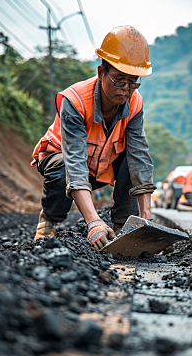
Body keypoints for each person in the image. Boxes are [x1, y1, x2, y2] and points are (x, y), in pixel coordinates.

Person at [31, 25, 156, 250]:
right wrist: (94, 222)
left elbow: (140, 158)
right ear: (101, 73)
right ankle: (48, 221)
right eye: (119, 80)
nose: (126, 89)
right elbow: (74, 163)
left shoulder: (135, 103)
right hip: (62, 158)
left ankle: (123, 227)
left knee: (132, 159)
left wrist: (146, 221)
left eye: (133, 81)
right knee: (61, 171)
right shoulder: (75, 100)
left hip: (101, 164)